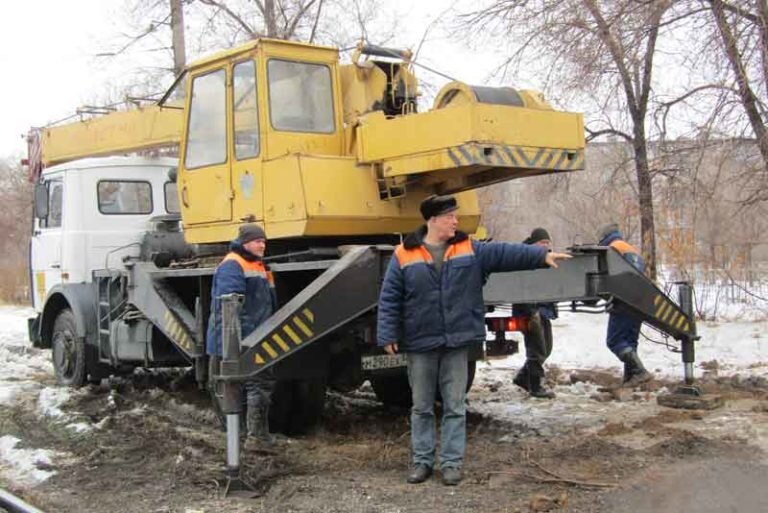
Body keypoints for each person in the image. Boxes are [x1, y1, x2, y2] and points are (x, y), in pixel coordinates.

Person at [377, 195, 571, 486]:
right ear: (432, 220)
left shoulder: (469, 249)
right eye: (450, 216)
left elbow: (504, 254)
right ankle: (422, 462)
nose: (456, 221)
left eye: (455, 216)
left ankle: (452, 464)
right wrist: (388, 333)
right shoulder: (404, 254)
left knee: (455, 405)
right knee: (421, 406)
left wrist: (539, 256)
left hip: (456, 342)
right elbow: (390, 297)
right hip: (420, 342)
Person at [206, 223, 277, 444]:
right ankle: (248, 438)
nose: (262, 245)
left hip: (254, 337)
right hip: (238, 340)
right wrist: (246, 339)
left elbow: (269, 302)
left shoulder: (259, 265)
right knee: (247, 385)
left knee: (261, 384)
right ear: (246, 243)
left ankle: (253, 436)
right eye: (258, 241)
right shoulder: (233, 265)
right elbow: (230, 308)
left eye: (264, 241)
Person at [597, 222, 653, 387]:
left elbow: (612, 276)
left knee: (614, 341)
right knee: (629, 341)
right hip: (640, 301)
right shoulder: (629, 248)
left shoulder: (612, 249)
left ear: (604, 237)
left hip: (624, 301)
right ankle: (630, 379)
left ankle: (640, 372)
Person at [512, 228, 558, 399]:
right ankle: (535, 386)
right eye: (542, 243)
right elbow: (522, 285)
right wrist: (530, 311)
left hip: (543, 309)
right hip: (529, 310)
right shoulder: (523, 257)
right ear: (534, 243)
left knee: (547, 349)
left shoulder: (545, 259)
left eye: (547, 243)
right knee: (537, 349)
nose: (545, 246)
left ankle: (523, 377)